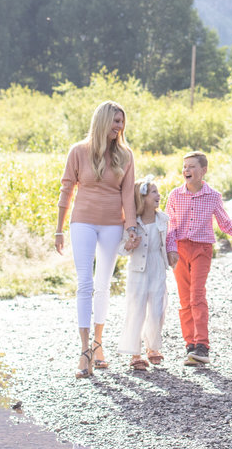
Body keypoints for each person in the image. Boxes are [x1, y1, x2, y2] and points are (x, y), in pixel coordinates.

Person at [54, 100, 140, 379]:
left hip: (112, 225)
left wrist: (131, 228)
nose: (120, 126)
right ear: (103, 121)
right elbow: (66, 189)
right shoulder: (78, 152)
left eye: (122, 122)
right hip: (83, 222)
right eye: (116, 121)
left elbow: (128, 194)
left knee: (103, 285)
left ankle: (98, 344)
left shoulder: (125, 155)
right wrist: (58, 229)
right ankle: (83, 350)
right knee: (85, 283)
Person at [166, 151, 232, 366]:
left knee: (197, 295)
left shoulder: (213, 196)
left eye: (192, 166)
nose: (187, 170)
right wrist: (170, 249)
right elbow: (170, 226)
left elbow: (225, 223)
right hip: (180, 250)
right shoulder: (175, 195)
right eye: (185, 167)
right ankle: (190, 344)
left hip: (202, 250)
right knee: (184, 299)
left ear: (203, 171)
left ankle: (202, 345)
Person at [118, 176, 178, 370]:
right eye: (154, 192)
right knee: (137, 309)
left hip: (157, 265)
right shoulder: (132, 223)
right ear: (141, 197)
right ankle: (135, 353)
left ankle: (153, 347)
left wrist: (172, 251)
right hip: (138, 269)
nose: (159, 195)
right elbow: (121, 248)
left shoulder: (163, 219)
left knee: (157, 308)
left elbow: (169, 239)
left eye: (158, 192)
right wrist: (129, 244)